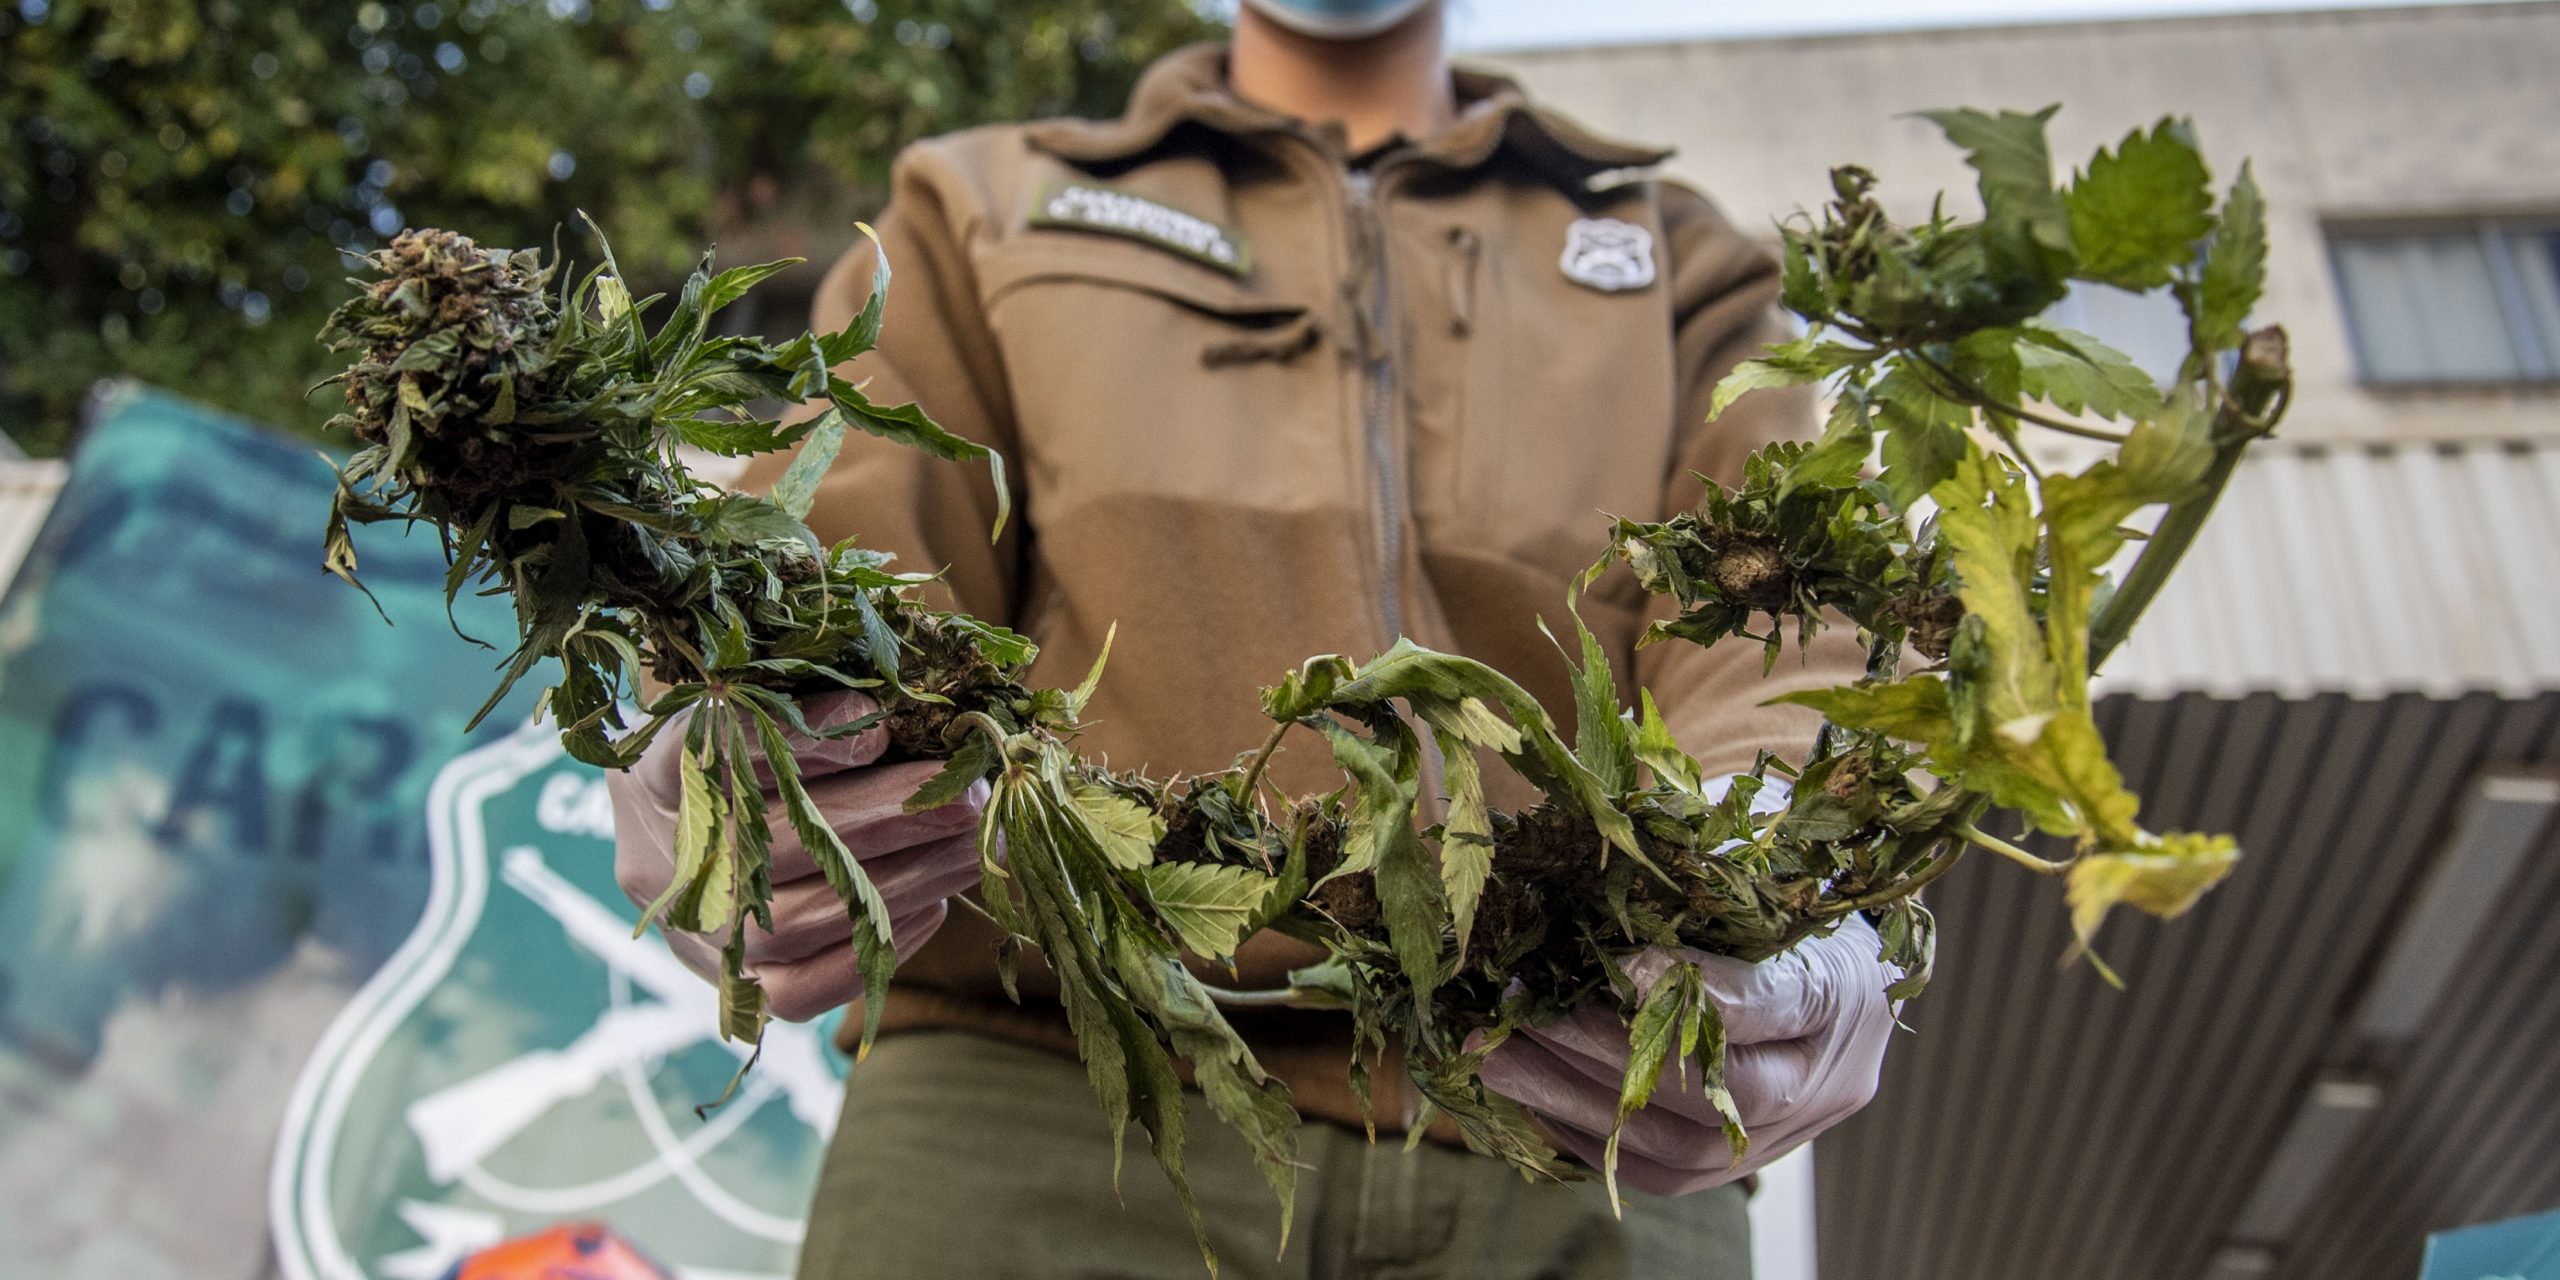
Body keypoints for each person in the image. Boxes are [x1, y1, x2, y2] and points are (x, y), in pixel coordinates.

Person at [610, 2, 1899, 1275]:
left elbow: (1790, 627)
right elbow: (838, 541)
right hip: (1041, 1099)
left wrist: (1781, 894)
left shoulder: (1680, 262)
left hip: (1568, 1110)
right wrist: (725, 726)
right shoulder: (983, 210)